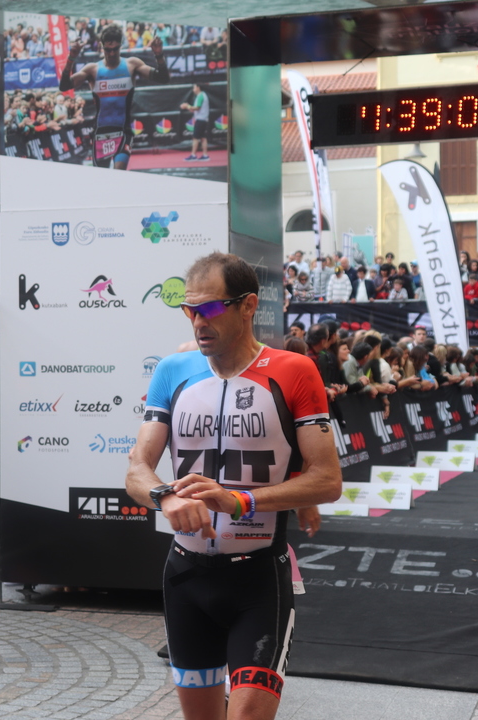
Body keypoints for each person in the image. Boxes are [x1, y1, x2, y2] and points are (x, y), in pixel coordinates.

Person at [125, 251, 341, 720]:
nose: (198, 321)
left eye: (209, 308)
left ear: (248, 306)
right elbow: (136, 469)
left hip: (257, 580)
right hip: (185, 576)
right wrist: (165, 495)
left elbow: (327, 479)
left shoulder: (294, 370)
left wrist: (241, 500)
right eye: (190, 309)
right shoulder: (172, 371)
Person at [59, 23, 169, 169]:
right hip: (100, 133)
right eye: (108, 50)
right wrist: (71, 58)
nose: (111, 53)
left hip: (123, 132)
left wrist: (159, 55)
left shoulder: (132, 65)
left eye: (115, 49)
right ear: (101, 46)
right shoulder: (92, 69)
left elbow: (163, 78)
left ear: (121, 46)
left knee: (119, 173)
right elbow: (64, 86)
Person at [181, 82, 211, 162]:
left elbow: (197, 108)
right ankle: (205, 155)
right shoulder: (201, 95)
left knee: (195, 138)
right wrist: (187, 107)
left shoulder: (201, 95)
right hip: (203, 119)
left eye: (194, 87)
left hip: (201, 120)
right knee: (203, 138)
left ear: (198, 88)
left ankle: (193, 155)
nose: (193, 89)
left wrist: (187, 106)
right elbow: (194, 109)